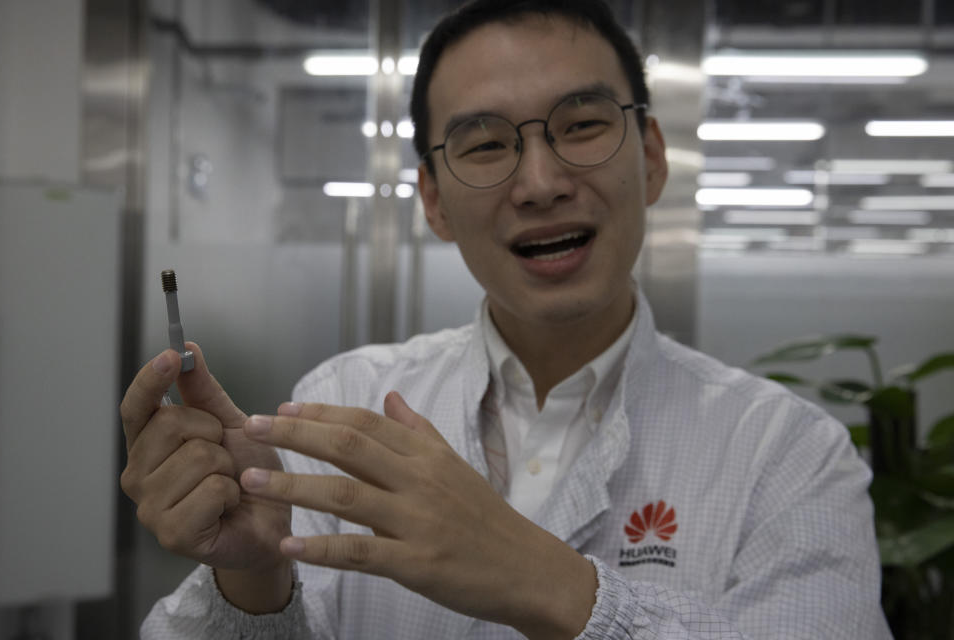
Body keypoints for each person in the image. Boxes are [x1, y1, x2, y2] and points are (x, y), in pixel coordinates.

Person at [119, 0, 891, 637]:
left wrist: (543, 581)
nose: (541, 181)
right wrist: (255, 575)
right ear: (432, 199)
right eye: (485, 144)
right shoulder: (349, 402)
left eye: (582, 125)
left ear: (651, 155)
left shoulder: (784, 453)